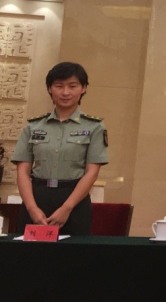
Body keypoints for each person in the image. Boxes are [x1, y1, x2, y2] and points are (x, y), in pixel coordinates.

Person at [13, 62, 107, 237]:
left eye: (72, 86)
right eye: (59, 86)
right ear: (50, 89)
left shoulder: (94, 127)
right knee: (31, 253)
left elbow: (92, 172)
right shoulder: (33, 126)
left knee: (73, 253)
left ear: (83, 88)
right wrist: (32, 208)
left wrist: (67, 208)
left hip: (74, 201)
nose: (65, 92)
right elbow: (22, 172)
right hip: (37, 198)